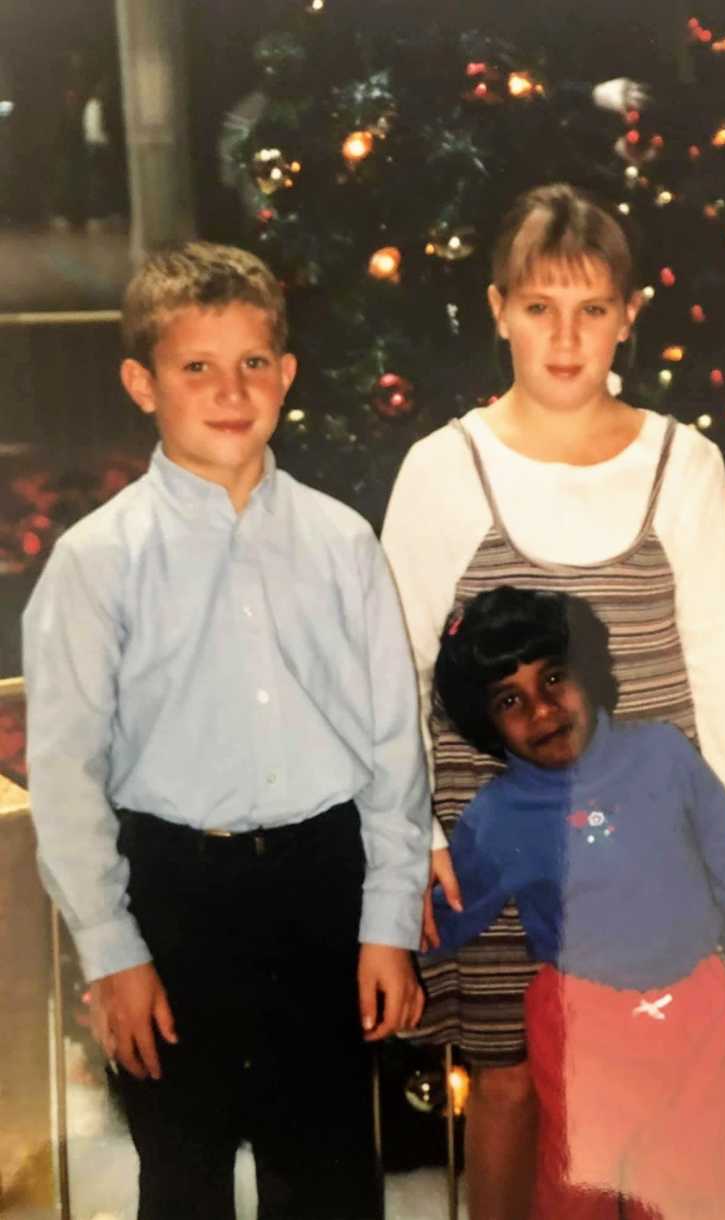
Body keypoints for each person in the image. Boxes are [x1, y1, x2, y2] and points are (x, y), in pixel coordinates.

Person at [381, 182, 725, 1219]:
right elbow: (384, 671)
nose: (566, 335)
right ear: (499, 307)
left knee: (658, 1083)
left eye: (591, 307)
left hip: (647, 846)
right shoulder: (443, 470)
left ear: (628, 315)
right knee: (510, 1086)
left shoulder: (683, 466)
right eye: (540, 306)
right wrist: (409, 831)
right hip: (489, 838)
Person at [23, 241, 430, 1220]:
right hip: (174, 898)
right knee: (184, 1173)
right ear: (141, 381)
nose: (229, 388)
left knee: (330, 1173)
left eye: (253, 361)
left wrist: (386, 920)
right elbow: (68, 774)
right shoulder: (97, 562)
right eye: (195, 365)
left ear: (286, 375)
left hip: (319, 889)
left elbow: (392, 750)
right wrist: (113, 948)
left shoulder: (342, 543)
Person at [429, 585, 725, 1220]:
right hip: (580, 1020)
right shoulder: (498, 815)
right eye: (511, 700)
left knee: (701, 1179)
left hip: (693, 1003)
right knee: (581, 1183)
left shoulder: (663, 754)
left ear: (586, 671)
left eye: (555, 678)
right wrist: (389, 955)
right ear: (487, 723)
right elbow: (446, 911)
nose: (544, 710)